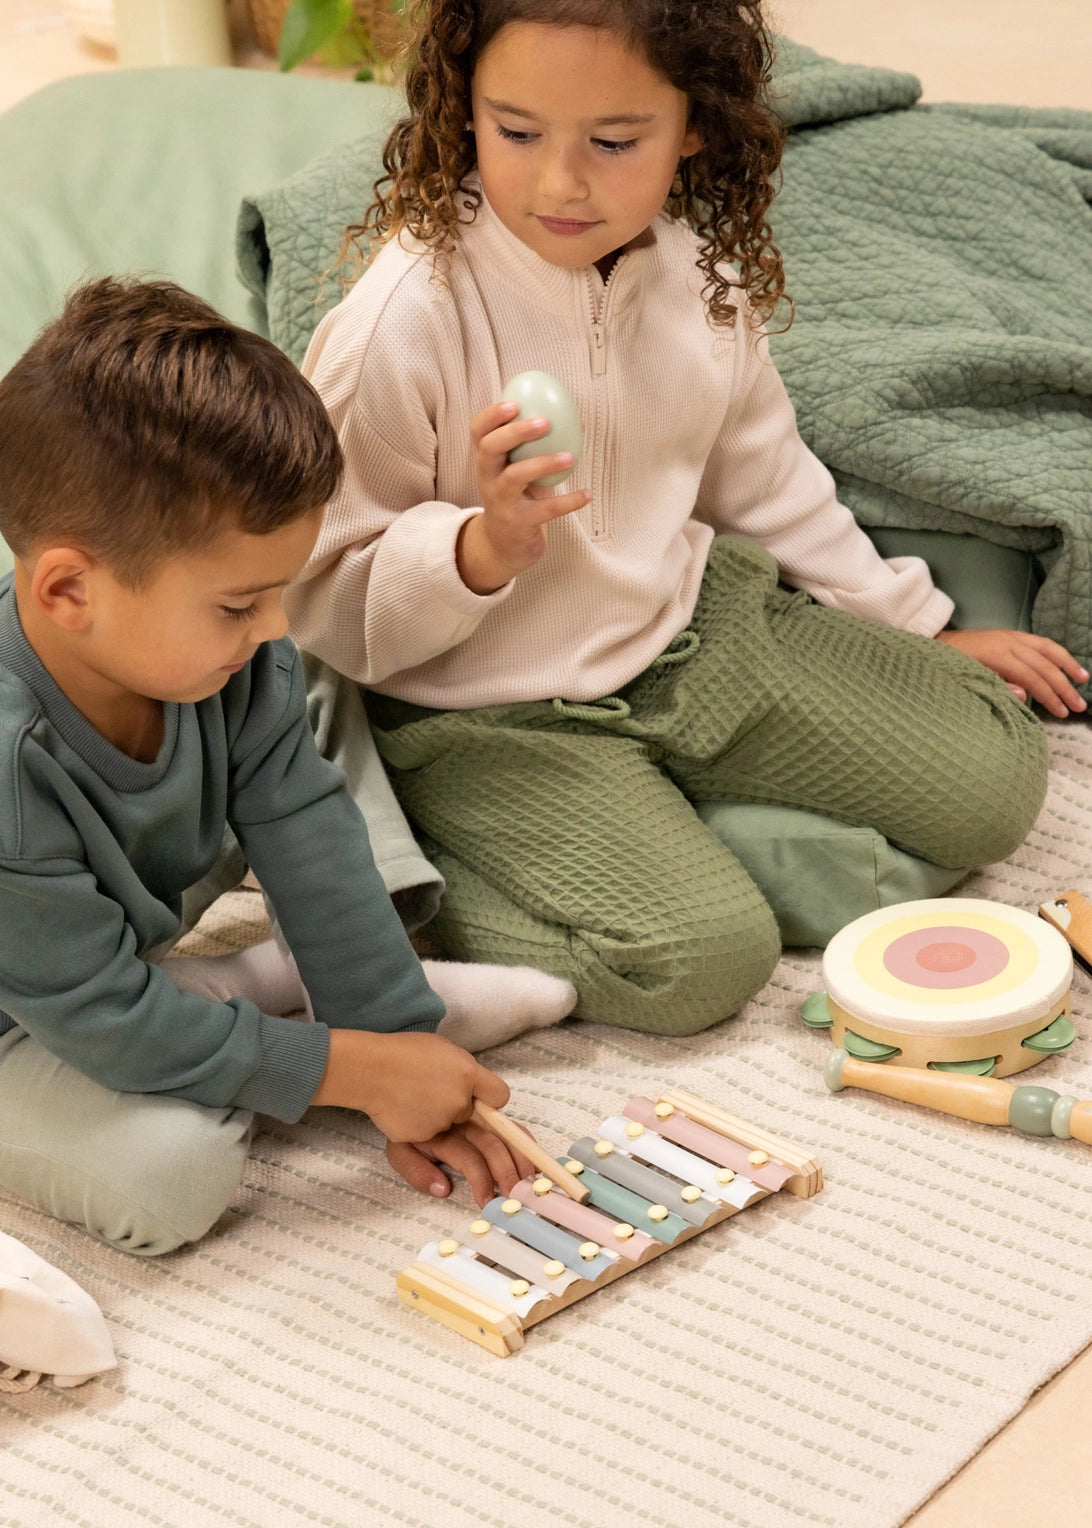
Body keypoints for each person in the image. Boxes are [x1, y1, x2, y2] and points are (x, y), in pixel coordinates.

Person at [286, 0, 1078, 1038]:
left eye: (614, 143)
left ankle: (675, 819)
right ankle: (410, 901)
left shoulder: (701, 278)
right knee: (701, 966)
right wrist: (478, 550)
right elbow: (318, 597)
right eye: (515, 131)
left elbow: (766, 478)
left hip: (690, 640)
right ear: (462, 109)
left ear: (693, 127)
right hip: (487, 718)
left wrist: (917, 625)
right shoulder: (405, 318)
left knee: (996, 774)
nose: (560, 182)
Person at [0, 277, 581, 1257]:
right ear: (68, 589)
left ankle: (247, 989)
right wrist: (348, 1072)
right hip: (28, 1008)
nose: (274, 628)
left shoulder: (229, 654)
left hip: (95, 947)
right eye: (238, 605)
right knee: (174, 1179)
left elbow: (310, 834)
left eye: (277, 594)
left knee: (292, 785)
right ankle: (234, 994)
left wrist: (398, 1039)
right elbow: (99, 1021)